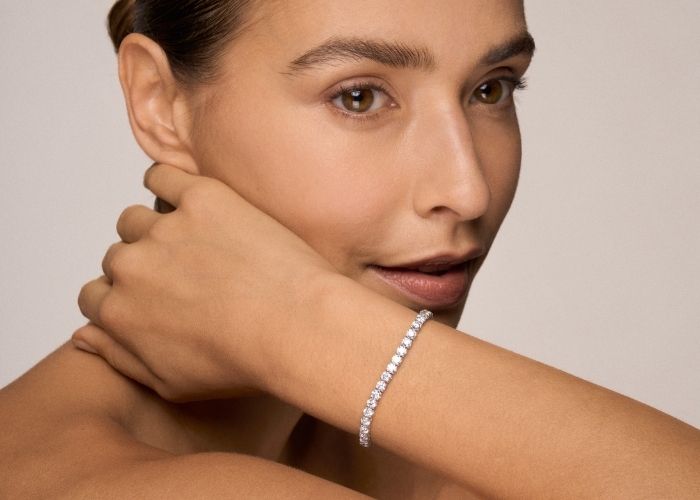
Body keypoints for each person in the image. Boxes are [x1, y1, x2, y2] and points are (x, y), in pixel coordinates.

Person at [1, 0, 699, 498]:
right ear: (161, 102)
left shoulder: (409, 452)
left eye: (491, 89)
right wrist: (315, 332)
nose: (468, 189)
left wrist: (305, 332)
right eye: (360, 97)